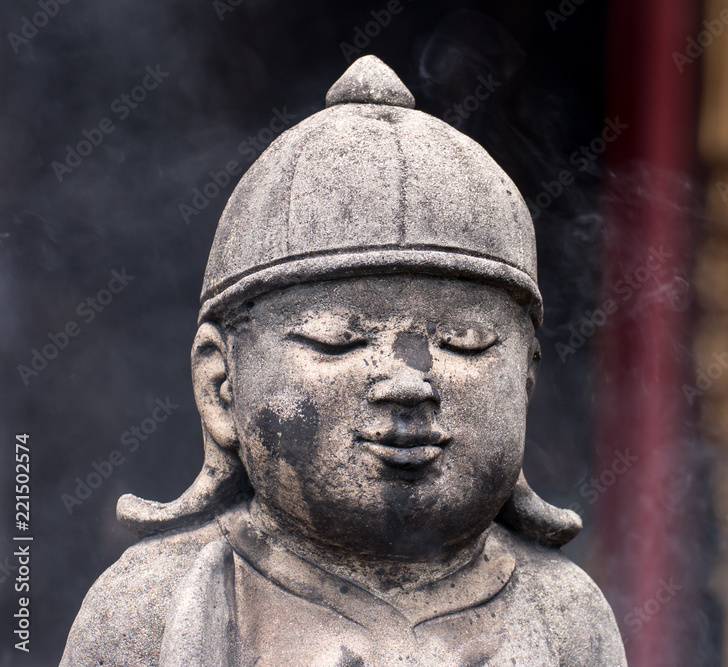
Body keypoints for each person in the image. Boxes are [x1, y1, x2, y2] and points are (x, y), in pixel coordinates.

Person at [60, 55, 627, 667]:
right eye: (338, 340)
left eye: (463, 342)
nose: (409, 383)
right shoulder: (150, 605)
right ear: (222, 386)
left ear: (526, 380)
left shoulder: (565, 613)